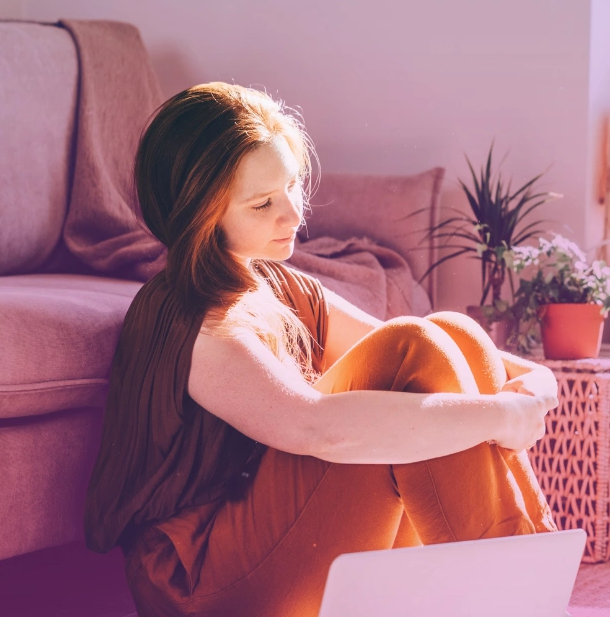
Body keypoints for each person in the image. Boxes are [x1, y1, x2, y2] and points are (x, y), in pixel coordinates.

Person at [83, 82, 561, 617]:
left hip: (269, 536)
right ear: (200, 218)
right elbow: (313, 427)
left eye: (291, 186)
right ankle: (515, 600)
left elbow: (423, 343)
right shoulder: (195, 321)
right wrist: (501, 416)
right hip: (198, 581)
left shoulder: (275, 281)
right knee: (416, 347)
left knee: (451, 334)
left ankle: (520, 595)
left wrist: (537, 385)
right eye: (263, 203)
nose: (292, 215)